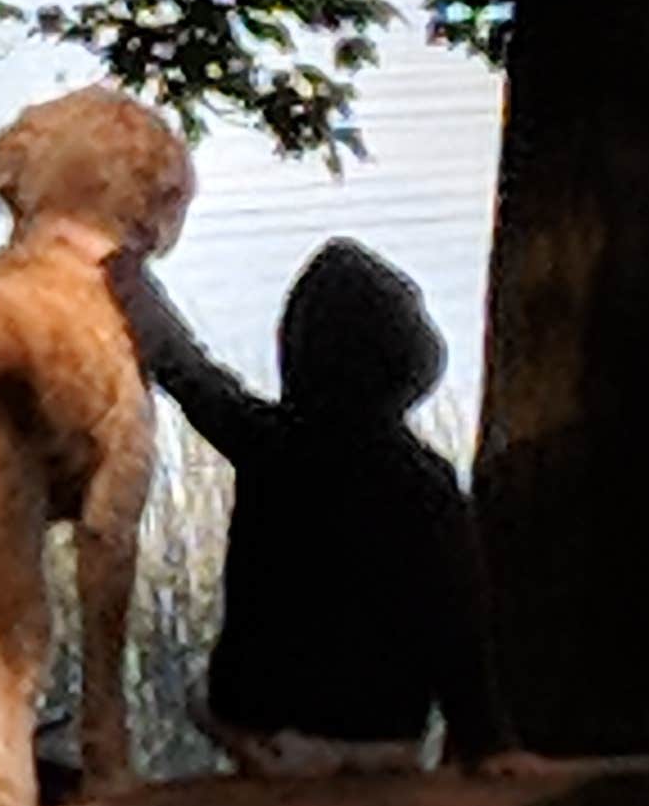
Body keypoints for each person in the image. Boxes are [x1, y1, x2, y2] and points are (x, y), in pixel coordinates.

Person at [113, 237, 500, 775]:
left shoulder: (266, 442)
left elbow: (190, 375)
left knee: (208, 697)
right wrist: (486, 741)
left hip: (261, 724)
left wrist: (131, 288)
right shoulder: (427, 484)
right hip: (381, 734)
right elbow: (457, 627)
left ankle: (265, 748)